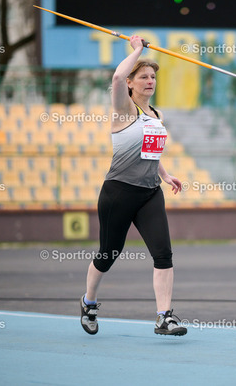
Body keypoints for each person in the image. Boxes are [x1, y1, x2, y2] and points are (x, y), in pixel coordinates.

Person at [80, 35, 187, 336]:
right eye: (143, 77)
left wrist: (164, 175)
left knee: (163, 254)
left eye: (153, 77)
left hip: (150, 193)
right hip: (119, 192)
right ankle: (89, 302)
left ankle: (164, 317)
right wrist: (137, 49)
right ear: (130, 83)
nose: (150, 81)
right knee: (108, 254)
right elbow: (116, 76)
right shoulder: (124, 110)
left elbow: (150, 151)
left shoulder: (157, 115)